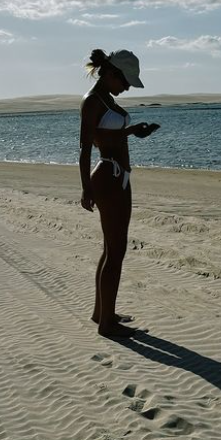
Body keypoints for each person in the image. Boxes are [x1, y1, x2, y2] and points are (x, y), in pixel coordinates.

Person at [79, 49, 160, 338]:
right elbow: (86, 146)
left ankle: (103, 313)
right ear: (112, 73)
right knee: (116, 251)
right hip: (109, 178)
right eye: (125, 81)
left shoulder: (105, 100)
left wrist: (133, 131)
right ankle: (107, 325)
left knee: (111, 248)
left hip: (116, 178)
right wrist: (86, 188)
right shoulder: (92, 102)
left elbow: (106, 135)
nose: (126, 87)